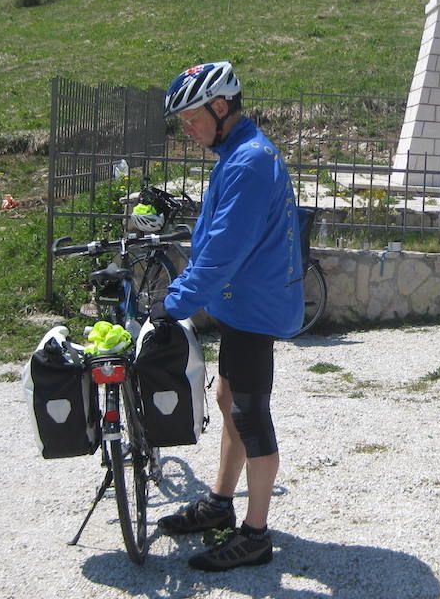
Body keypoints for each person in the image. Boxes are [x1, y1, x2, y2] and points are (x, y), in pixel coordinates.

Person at [147, 60, 304, 571]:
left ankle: (255, 535)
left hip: (255, 307)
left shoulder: (248, 161)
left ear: (220, 107)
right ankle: (220, 503)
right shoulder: (237, 152)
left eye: (191, 118)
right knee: (228, 397)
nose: (187, 130)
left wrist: (174, 303)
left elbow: (222, 252)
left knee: (250, 416)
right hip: (245, 302)